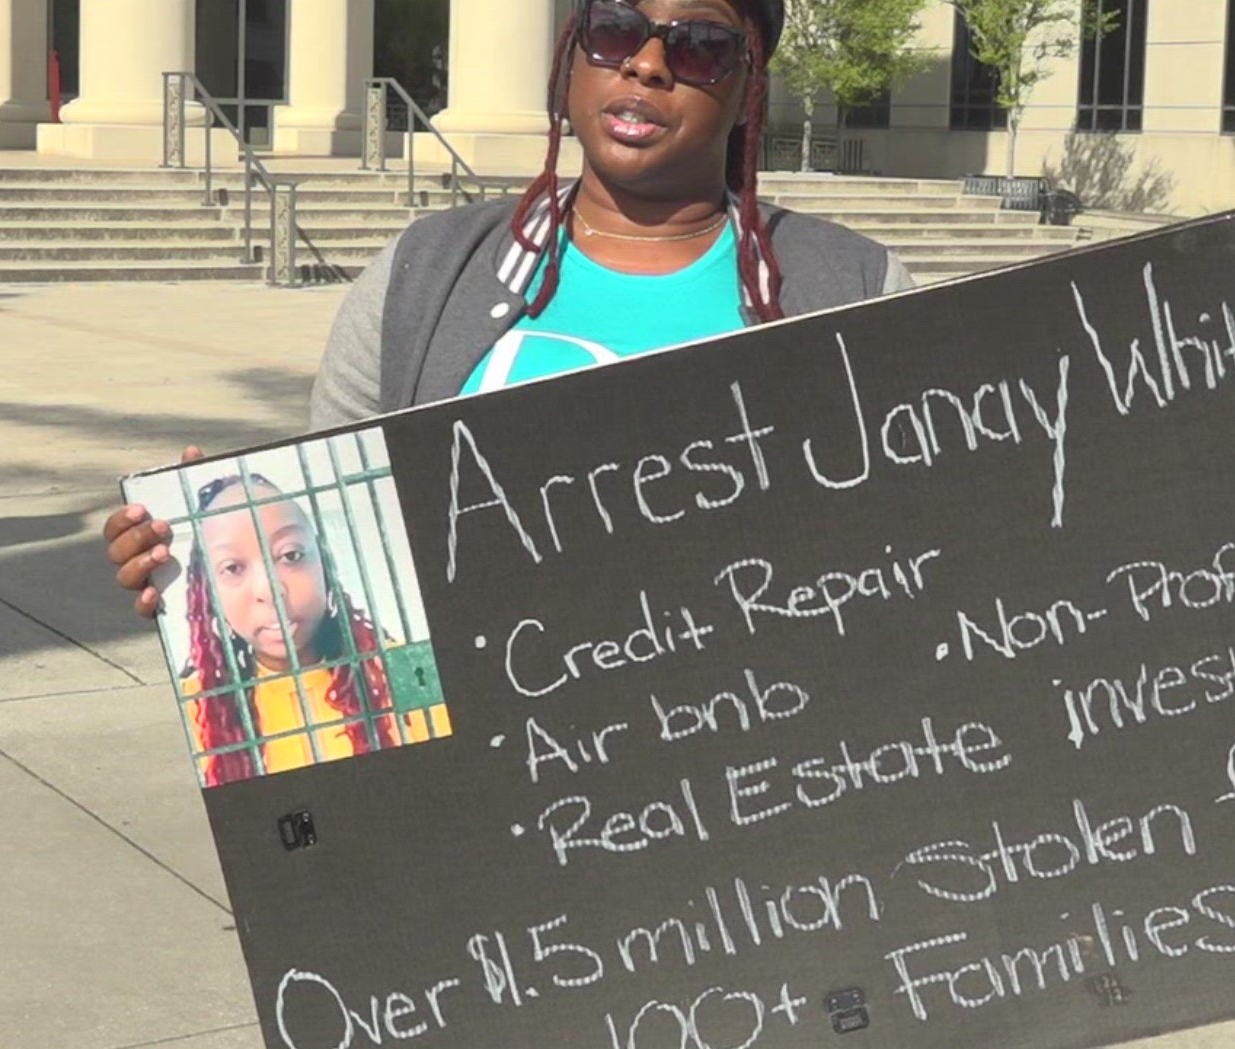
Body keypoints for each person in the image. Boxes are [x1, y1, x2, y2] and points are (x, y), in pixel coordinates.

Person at [108, 0, 911, 613]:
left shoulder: (856, 290)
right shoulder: (422, 277)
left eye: (700, 46)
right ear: (571, 57)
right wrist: (201, 554)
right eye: (614, 29)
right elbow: (343, 542)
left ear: (750, 86)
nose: (648, 65)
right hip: (488, 786)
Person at [180, 472, 450, 787]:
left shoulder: (410, 670)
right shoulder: (195, 702)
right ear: (209, 591)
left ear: (323, 562)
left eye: (291, 555)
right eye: (233, 568)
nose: (270, 589)